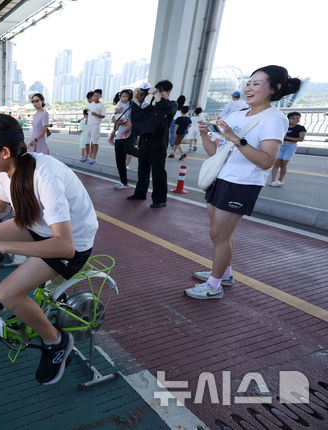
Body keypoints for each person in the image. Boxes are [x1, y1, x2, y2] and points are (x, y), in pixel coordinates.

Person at [0, 114, 98, 385]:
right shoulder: (9, 169)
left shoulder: (46, 175)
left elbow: (65, 246)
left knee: (11, 292)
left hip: (71, 244)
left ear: (4, 152)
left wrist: (0, 244)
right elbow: (0, 205)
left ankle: (55, 340)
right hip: (36, 227)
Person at [186, 65, 300, 300]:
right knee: (219, 235)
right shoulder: (237, 114)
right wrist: (206, 134)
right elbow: (214, 152)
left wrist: (235, 138)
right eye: (248, 82)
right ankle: (224, 273)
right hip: (221, 178)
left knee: (219, 235)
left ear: (274, 88)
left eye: (256, 83)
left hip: (243, 184)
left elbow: (267, 161)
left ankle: (214, 286)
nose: (249, 88)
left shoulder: (274, 119)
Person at [126, 80, 177, 208]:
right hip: (145, 142)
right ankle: (140, 193)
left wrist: (155, 93)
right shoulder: (152, 107)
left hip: (158, 144)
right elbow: (138, 115)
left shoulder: (172, 105)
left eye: (161, 91)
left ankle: (160, 199)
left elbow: (165, 107)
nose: (158, 94)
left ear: (168, 91)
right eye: (157, 91)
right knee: (142, 169)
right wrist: (135, 98)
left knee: (158, 172)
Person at [269, 112, 306, 187]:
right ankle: (272, 180)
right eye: (293, 118)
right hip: (281, 145)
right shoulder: (283, 126)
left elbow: (301, 139)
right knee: (276, 163)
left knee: (284, 164)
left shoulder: (301, 128)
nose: (295, 120)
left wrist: (287, 137)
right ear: (288, 119)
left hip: (291, 146)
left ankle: (280, 180)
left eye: (297, 118)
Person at [111, 89, 137, 189]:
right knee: (119, 160)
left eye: (126, 96)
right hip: (119, 135)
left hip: (129, 134)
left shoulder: (133, 104)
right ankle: (124, 182)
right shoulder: (119, 104)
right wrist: (116, 121)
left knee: (128, 149)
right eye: (122, 96)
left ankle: (145, 156)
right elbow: (115, 117)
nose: (124, 98)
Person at [86, 90, 106, 164]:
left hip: (96, 125)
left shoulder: (101, 105)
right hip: (89, 124)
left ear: (100, 96)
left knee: (95, 142)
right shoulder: (91, 104)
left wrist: (96, 114)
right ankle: (89, 156)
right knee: (88, 141)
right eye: (94, 95)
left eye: (97, 96)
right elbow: (87, 112)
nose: (95, 97)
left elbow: (103, 115)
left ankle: (94, 157)